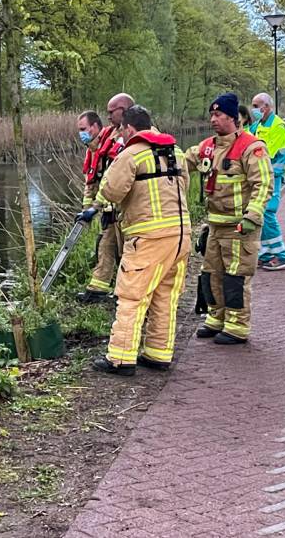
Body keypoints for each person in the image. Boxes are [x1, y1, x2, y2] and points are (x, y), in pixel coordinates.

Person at [79, 104, 192, 375]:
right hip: (181, 234)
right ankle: (158, 353)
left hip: (149, 236)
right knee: (165, 296)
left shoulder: (131, 154)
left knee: (131, 296)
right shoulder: (175, 151)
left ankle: (120, 358)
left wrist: (95, 206)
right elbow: (184, 184)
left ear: (129, 128)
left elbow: (112, 189)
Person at [187, 93, 273, 344]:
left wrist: (252, 216)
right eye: (211, 115)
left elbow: (263, 184)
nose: (213, 120)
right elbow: (183, 161)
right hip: (215, 224)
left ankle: (237, 325)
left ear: (233, 118)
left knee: (235, 277)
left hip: (239, 227)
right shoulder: (207, 147)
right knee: (210, 273)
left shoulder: (251, 147)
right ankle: (216, 318)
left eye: (218, 115)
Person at [77, 95, 130, 303]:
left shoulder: (122, 138)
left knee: (125, 251)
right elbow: (91, 182)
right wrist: (87, 208)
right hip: (108, 208)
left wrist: (96, 206)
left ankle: (125, 294)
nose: (81, 133)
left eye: (84, 129)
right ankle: (97, 289)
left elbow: (113, 177)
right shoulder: (94, 149)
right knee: (105, 246)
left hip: (120, 207)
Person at [247, 93, 285, 270]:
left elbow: (267, 153)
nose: (254, 109)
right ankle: (265, 254)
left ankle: (281, 256)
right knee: (260, 214)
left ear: (267, 107)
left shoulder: (279, 126)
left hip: (273, 176)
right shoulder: (256, 126)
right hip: (260, 177)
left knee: (267, 213)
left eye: (256, 105)